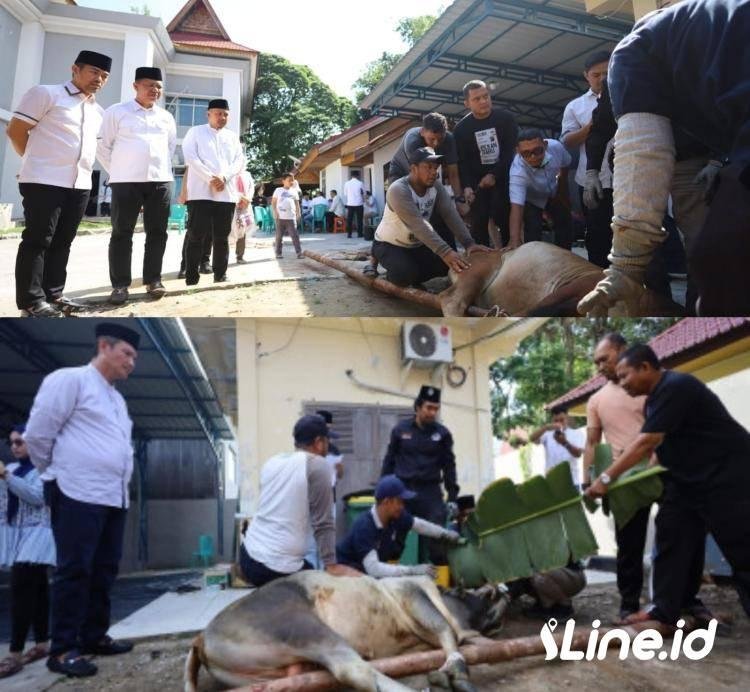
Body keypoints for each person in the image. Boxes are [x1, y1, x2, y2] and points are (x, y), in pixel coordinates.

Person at [577, 0, 750, 317]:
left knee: (718, 261)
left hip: (695, 162)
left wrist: (626, 267)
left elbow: (643, 150)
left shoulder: (634, 50)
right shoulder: (716, 23)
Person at [586, 344, 750, 625]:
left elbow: (646, 440)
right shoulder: (653, 400)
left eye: (625, 376)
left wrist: (605, 478)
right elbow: (661, 445)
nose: (622, 383)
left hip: (727, 479)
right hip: (687, 483)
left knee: (742, 551)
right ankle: (664, 609)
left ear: (646, 368)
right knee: (671, 537)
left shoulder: (676, 386)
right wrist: (647, 472)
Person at [23, 323, 139, 678]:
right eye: (127, 354)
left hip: (112, 496)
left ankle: (93, 636)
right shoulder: (69, 380)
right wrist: (54, 474)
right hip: (76, 492)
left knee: (104, 570)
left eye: (135, 357)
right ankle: (62, 649)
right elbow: (38, 435)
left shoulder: (116, 399)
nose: (132, 363)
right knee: (74, 571)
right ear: (104, 346)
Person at [7, 50, 112, 317]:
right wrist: (34, 162)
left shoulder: (97, 111)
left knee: (63, 241)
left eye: (104, 75)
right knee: (38, 239)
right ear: (74, 69)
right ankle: (31, 302)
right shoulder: (46, 94)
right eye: (93, 72)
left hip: (79, 184)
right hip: (44, 180)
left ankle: (54, 295)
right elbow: (16, 130)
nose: (99, 79)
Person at [240, 415, 361, 587]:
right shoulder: (318, 466)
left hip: (248, 553)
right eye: (327, 441)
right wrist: (332, 565)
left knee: (309, 567)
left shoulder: (273, 461)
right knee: (320, 593)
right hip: (274, 566)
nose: (329, 447)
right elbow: (324, 523)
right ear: (319, 442)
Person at [583, 333, 654, 620]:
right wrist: (587, 480)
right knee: (629, 547)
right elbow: (591, 443)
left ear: (622, 351)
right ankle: (629, 605)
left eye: (604, 358)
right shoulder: (596, 400)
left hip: (661, 470)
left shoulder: (646, 385)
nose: (600, 366)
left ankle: (685, 601)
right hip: (623, 480)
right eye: (596, 361)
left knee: (679, 536)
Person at [98, 66, 176, 305]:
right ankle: (120, 285)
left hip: (160, 181)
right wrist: (120, 171)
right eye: (149, 85)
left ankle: (153, 280)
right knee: (122, 233)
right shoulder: (117, 112)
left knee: (158, 232)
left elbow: (170, 148)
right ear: (136, 86)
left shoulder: (166, 117)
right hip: (125, 182)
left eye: (158, 87)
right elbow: (103, 147)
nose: (154, 90)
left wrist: (158, 170)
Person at [370, 147, 492, 287]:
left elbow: (450, 214)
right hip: (389, 244)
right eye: (428, 167)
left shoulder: (436, 187)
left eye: (436, 167)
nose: (434, 172)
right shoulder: (398, 190)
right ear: (413, 168)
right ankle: (379, 259)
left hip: (416, 245)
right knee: (403, 275)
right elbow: (418, 225)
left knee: (446, 266)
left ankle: (414, 277)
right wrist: (445, 252)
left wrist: (469, 243)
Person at [0, 425, 55, 680]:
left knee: (22, 590)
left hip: (38, 535)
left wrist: (7, 479)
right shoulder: (11, 469)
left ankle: (15, 652)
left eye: (20, 442)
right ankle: (42, 642)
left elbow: (36, 497)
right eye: (12, 442)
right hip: (17, 534)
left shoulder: (44, 470)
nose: (15, 446)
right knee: (39, 590)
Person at [381, 386, 459, 564]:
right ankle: (386, 582)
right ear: (417, 407)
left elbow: (449, 466)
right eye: (428, 408)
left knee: (439, 543)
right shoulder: (400, 430)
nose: (432, 413)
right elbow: (389, 461)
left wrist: (453, 496)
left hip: (430, 493)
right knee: (392, 541)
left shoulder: (443, 434)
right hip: (403, 492)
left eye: (435, 409)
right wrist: (383, 489)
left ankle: (441, 588)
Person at [336, 475, 463, 577]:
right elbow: (374, 569)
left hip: (367, 574)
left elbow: (419, 525)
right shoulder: (365, 527)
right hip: (346, 573)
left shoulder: (395, 515)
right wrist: (412, 571)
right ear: (387, 502)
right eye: (399, 502)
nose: (402, 506)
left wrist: (445, 534)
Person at [182, 99, 246, 285]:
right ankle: (191, 276)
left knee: (221, 237)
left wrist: (224, 178)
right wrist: (211, 178)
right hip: (200, 193)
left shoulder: (232, 137)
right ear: (208, 114)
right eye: (218, 113)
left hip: (226, 194)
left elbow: (239, 161)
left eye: (225, 114)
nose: (222, 117)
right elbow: (191, 157)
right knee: (196, 235)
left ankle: (220, 274)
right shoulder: (195, 132)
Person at [560, 51, 611, 266]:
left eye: (607, 73)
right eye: (596, 74)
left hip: (628, 177)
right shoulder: (575, 106)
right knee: (597, 234)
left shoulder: (630, 95)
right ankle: (598, 278)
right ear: (586, 76)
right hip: (591, 180)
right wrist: (593, 126)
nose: (602, 79)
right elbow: (568, 141)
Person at [453, 80, 518, 247]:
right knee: (479, 223)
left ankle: (510, 258)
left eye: (486, 96)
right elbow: (463, 162)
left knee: (504, 217)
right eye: (477, 99)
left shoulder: (506, 119)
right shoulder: (461, 129)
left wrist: (494, 174)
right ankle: (482, 262)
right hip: (477, 183)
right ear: (467, 103)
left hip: (504, 178)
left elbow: (510, 152)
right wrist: (467, 186)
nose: (483, 101)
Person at [506, 128, 572, 251]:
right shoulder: (517, 172)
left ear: (545, 145)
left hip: (553, 192)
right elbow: (517, 207)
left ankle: (566, 256)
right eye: (526, 153)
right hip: (532, 199)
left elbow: (565, 165)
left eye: (538, 150)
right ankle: (533, 258)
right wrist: (514, 239)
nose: (533, 157)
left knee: (565, 221)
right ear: (518, 152)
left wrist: (562, 191)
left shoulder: (556, 147)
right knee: (533, 228)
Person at [388, 113, 467, 214]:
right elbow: (420, 176)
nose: (436, 144)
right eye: (431, 139)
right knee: (404, 207)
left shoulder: (449, 140)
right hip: (400, 172)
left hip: (424, 175)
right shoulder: (413, 141)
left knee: (438, 211)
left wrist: (459, 199)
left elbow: (453, 173)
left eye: (440, 139)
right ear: (422, 132)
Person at [529, 405, 585, 488]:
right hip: (552, 483)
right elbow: (532, 438)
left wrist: (565, 443)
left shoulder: (577, 433)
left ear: (567, 418)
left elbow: (578, 454)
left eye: (562, 420)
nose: (559, 423)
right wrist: (546, 427)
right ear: (552, 420)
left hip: (572, 482)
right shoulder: (547, 434)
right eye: (556, 420)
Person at [177, 168, 212, 280]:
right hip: (196, 193)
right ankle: (186, 266)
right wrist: (183, 191)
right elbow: (189, 168)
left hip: (215, 193)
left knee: (210, 229)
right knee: (193, 230)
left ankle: (204, 262)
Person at [271, 173, 303, 259]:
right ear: (283, 181)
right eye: (289, 180)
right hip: (280, 217)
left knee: (295, 235)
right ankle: (278, 253)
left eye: (292, 180)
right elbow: (273, 202)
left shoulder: (294, 191)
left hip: (291, 217)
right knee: (279, 236)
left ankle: (299, 253)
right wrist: (275, 212)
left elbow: (297, 203)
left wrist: (298, 213)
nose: (291, 182)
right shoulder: (278, 190)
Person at [232, 168, 256, 264]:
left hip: (245, 206)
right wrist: (240, 198)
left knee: (243, 229)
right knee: (227, 231)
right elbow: (229, 188)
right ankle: (220, 259)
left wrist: (247, 199)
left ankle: (240, 256)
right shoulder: (229, 171)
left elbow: (251, 188)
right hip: (232, 204)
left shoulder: (247, 174)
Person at [343, 171, 365, 238]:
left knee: (350, 220)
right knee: (359, 219)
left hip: (350, 203)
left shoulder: (347, 183)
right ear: (358, 176)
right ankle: (360, 234)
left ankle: (349, 234)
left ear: (351, 176)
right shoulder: (360, 183)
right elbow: (364, 193)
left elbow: (345, 194)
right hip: (359, 203)